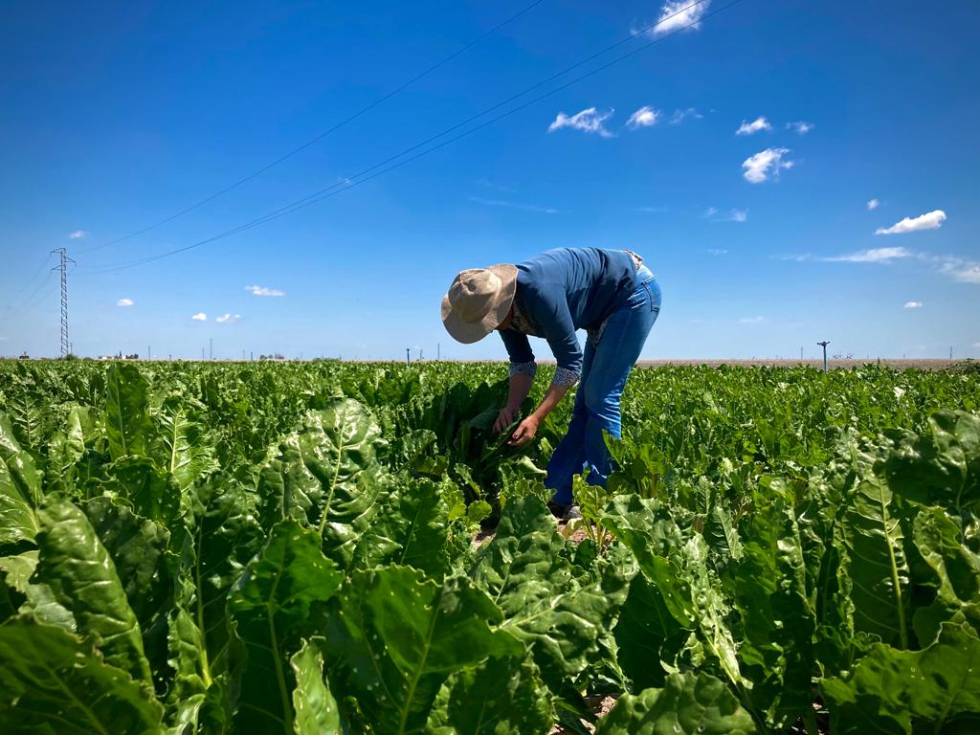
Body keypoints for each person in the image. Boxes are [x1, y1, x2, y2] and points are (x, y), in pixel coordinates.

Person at [441, 247, 661, 518]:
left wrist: (536, 418)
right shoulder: (500, 312)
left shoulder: (539, 294)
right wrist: (511, 407)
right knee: (584, 403)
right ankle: (560, 492)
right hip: (603, 307)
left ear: (502, 302)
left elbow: (570, 362)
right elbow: (522, 361)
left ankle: (605, 500)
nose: (492, 327)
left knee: (600, 398)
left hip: (630, 294)